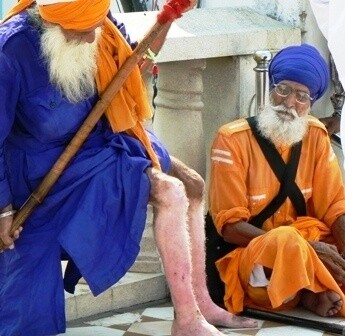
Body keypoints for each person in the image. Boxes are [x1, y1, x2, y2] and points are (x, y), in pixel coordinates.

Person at [0, 0, 257, 335]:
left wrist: (168, 17)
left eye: (96, 26)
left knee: (187, 184)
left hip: (100, 145)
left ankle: (195, 311)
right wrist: (3, 209)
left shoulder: (96, 17)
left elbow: (134, 65)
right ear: (53, 25)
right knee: (27, 310)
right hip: (36, 175)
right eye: (84, 31)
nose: (95, 38)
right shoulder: (11, 51)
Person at [208, 44, 345, 318]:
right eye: (283, 89)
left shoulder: (316, 136)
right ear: (271, 89)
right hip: (256, 258)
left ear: (311, 102)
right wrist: (306, 251)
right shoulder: (231, 139)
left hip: (309, 242)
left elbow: (335, 207)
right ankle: (310, 288)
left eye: (301, 96)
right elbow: (230, 227)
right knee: (286, 240)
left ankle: (309, 289)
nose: (289, 102)